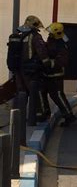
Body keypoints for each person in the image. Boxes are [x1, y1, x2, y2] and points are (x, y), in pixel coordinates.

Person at [12, 16, 51, 144]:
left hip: (18, 69)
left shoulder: (17, 34)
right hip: (31, 70)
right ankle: (37, 116)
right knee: (36, 91)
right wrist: (47, 65)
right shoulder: (35, 37)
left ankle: (17, 119)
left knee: (21, 93)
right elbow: (42, 52)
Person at [42, 23, 77, 127]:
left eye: (51, 33)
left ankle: (69, 116)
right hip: (49, 74)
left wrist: (49, 62)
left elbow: (62, 61)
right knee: (51, 94)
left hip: (56, 75)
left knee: (58, 95)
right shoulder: (53, 41)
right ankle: (47, 113)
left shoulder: (61, 45)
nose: (49, 35)